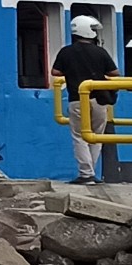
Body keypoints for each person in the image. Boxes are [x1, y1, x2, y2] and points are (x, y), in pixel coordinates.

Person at [52, 15, 119, 184]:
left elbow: (55, 72)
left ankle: (85, 173)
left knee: (79, 136)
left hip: (77, 99)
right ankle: (91, 172)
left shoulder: (66, 52)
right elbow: (114, 73)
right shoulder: (100, 52)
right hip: (99, 99)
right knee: (96, 136)